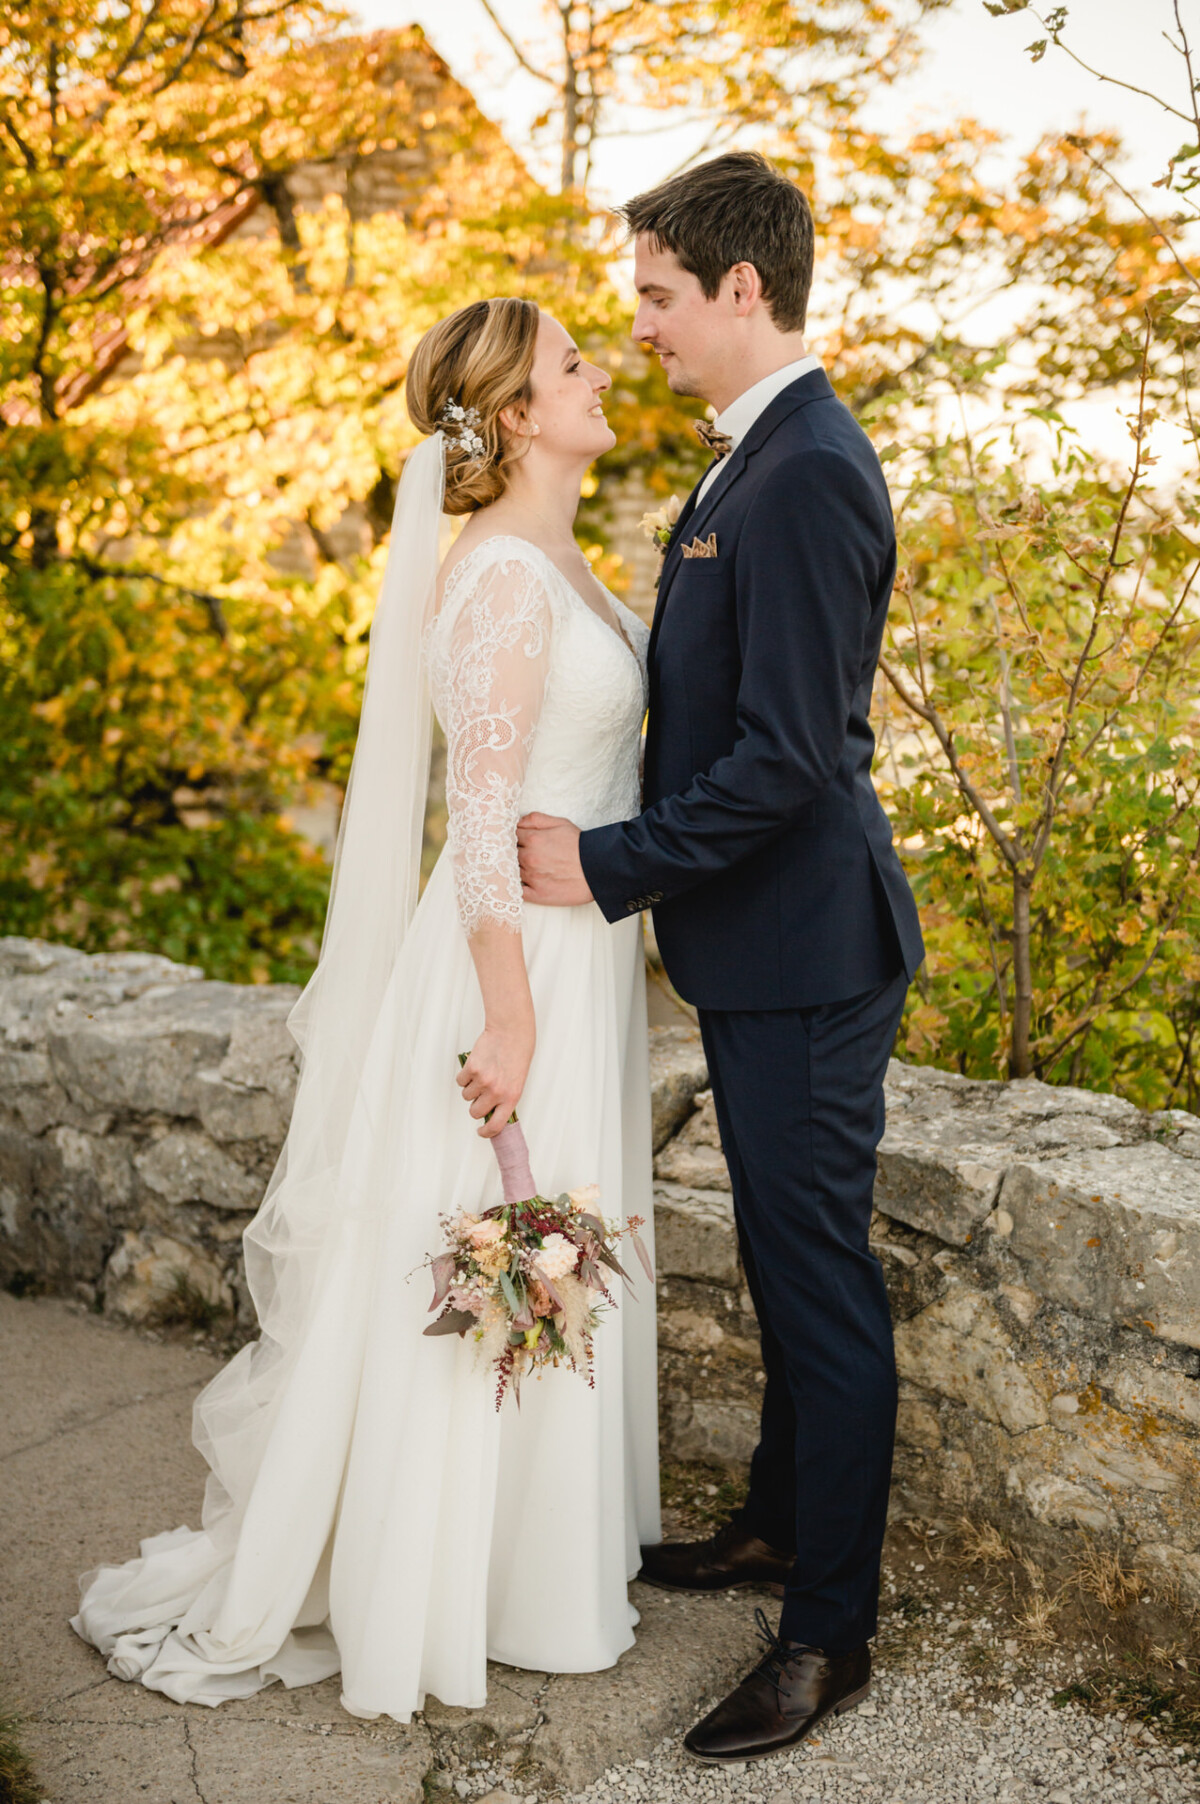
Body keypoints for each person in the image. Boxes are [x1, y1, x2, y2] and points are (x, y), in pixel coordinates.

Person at [71, 297, 660, 1721]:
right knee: (487, 1250)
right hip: (512, 967)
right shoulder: (504, 578)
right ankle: (435, 1584)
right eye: (571, 366)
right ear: (517, 415)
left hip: (575, 956)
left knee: (539, 1252)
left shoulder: (560, 557)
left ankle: (533, 1565)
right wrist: (507, 1019)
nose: (599, 376)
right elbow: (476, 820)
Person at [518, 151, 925, 1765]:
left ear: (740, 289)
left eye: (659, 295)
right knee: (779, 1260)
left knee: (821, 1288)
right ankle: (769, 1525)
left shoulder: (809, 468)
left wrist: (606, 867)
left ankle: (829, 1636)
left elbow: (791, 761)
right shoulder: (743, 460)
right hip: (761, 951)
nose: (641, 325)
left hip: (814, 957)